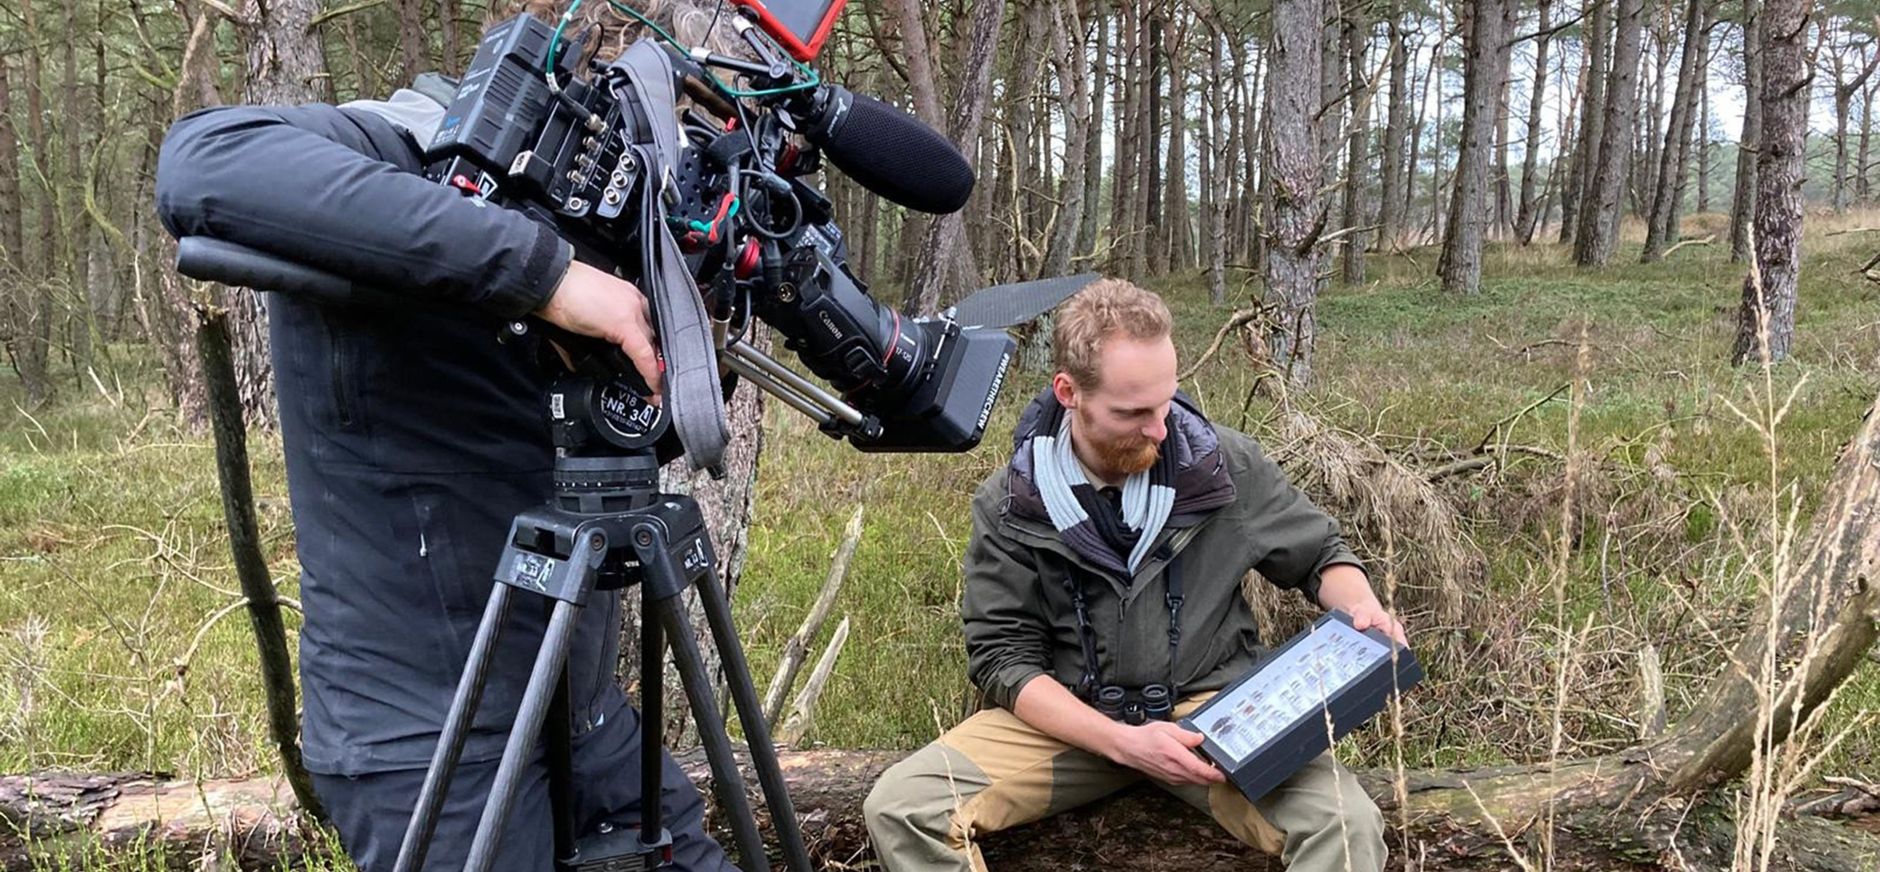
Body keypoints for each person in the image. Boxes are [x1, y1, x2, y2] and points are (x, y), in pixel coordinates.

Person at [154, 3, 742, 869]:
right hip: (431, 740)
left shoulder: (603, 219)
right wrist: (545, 278)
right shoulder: (403, 144)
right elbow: (205, 160)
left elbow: (587, 433)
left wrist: (683, 353)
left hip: (586, 722)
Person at [863, 280, 1405, 871]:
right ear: (1068, 392)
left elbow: (1321, 553)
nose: (1159, 429)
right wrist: (1123, 743)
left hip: (1215, 718)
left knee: (1344, 826)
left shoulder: (1223, 467)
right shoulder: (1013, 503)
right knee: (903, 807)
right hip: (1075, 725)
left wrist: (1360, 606)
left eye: (1166, 402)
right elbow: (1003, 660)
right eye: (1133, 412)